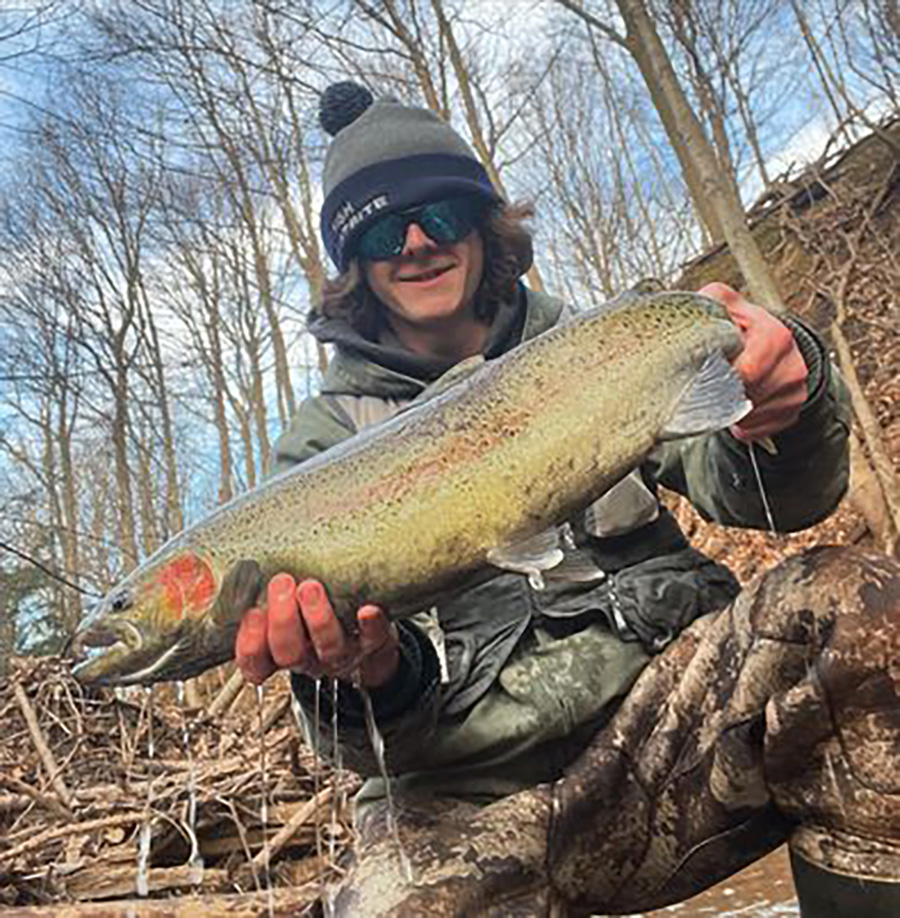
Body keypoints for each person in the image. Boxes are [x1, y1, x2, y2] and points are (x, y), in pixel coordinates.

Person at [235, 82, 900, 916]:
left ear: (482, 226)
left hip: (676, 751)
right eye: (378, 230)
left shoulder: (603, 347)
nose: (414, 244)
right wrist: (362, 675)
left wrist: (786, 395)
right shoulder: (320, 449)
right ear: (355, 264)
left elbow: (774, 503)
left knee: (863, 608)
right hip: (468, 813)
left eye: (437, 217)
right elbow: (366, 743)